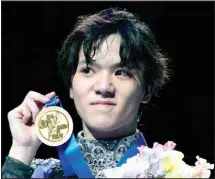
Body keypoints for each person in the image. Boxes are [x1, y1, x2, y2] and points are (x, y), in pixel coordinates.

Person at [2, 7, 170, 178]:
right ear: (71, 86)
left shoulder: (174, 173)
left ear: (147, 90)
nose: (104, 87)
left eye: (122, 72)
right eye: (88, 70)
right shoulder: (39, 174)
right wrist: (22, 150)